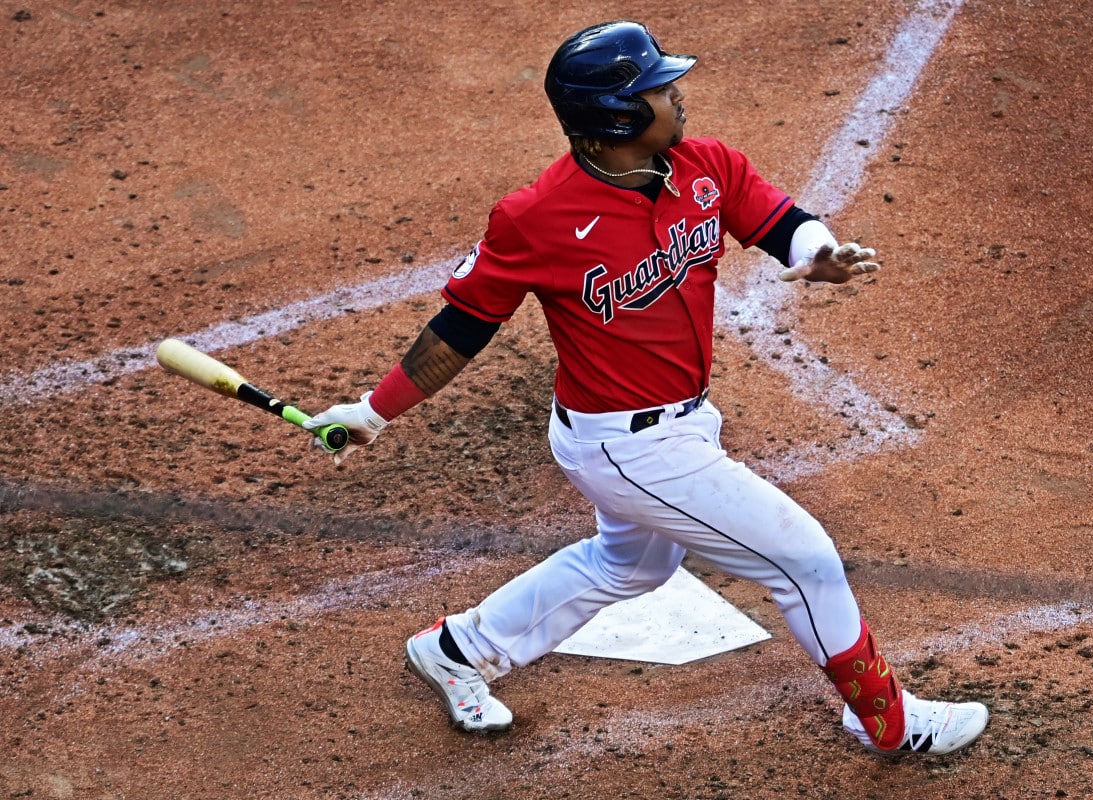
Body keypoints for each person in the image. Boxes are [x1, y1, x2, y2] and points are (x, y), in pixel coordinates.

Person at [304, 20, 989, 755]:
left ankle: (459, 650)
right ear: (616, 116)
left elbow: (777, 219)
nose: (675, 95)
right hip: (627, 449)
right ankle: (885, 719)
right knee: (806, 560)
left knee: (631, 563)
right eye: (657, 88)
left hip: (682, 425)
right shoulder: (535, 218)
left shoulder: (705, 165)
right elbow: (461, 329)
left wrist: (817, 252)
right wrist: (375, 412)